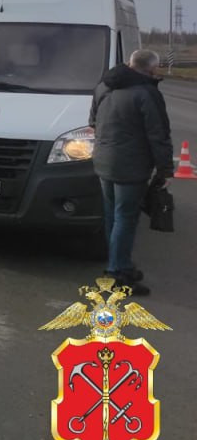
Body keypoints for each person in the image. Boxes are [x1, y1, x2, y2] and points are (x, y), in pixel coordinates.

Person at [88, 49, 173, 296]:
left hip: (103, 162)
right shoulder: (147, 93)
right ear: (152, 69)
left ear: (129, 63)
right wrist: (165, 169)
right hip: (131, 166)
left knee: (112, 216)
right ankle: (116, 273)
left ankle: (121, 263)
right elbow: (159, 135)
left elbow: (93, 122)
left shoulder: (104, 86)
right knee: (126, 218)